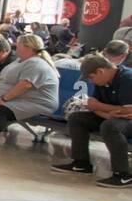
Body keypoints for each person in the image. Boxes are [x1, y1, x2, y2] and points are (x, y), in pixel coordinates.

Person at [51, 54, 132, 187]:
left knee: (110, 127)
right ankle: (81, 163)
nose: (90, 81)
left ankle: (123, 175)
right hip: (114, 118)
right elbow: (92, 106)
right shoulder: (102, 82)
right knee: (77, 118)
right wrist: (108, 113)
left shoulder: (127, 79)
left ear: (100, 71)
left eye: (91, 77)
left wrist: (102, 108)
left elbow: (128, 110)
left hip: (125, 121)